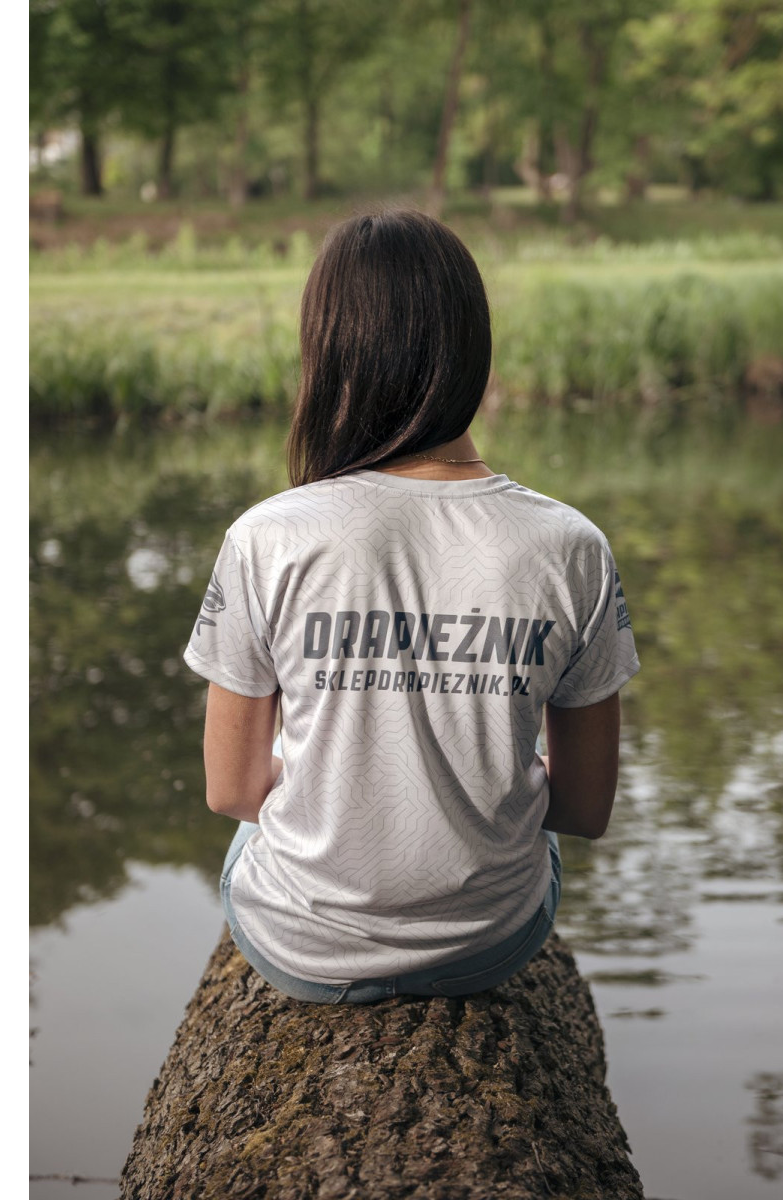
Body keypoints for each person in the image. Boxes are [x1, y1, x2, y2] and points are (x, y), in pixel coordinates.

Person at [184, 209, 639, 1004]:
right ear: (473, 350)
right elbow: (582, 807)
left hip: (302, 952)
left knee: (264, 809)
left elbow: (231, 790)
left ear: (330, 354)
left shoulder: (267, 538)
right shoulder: (571, 546)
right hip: (490, 946)